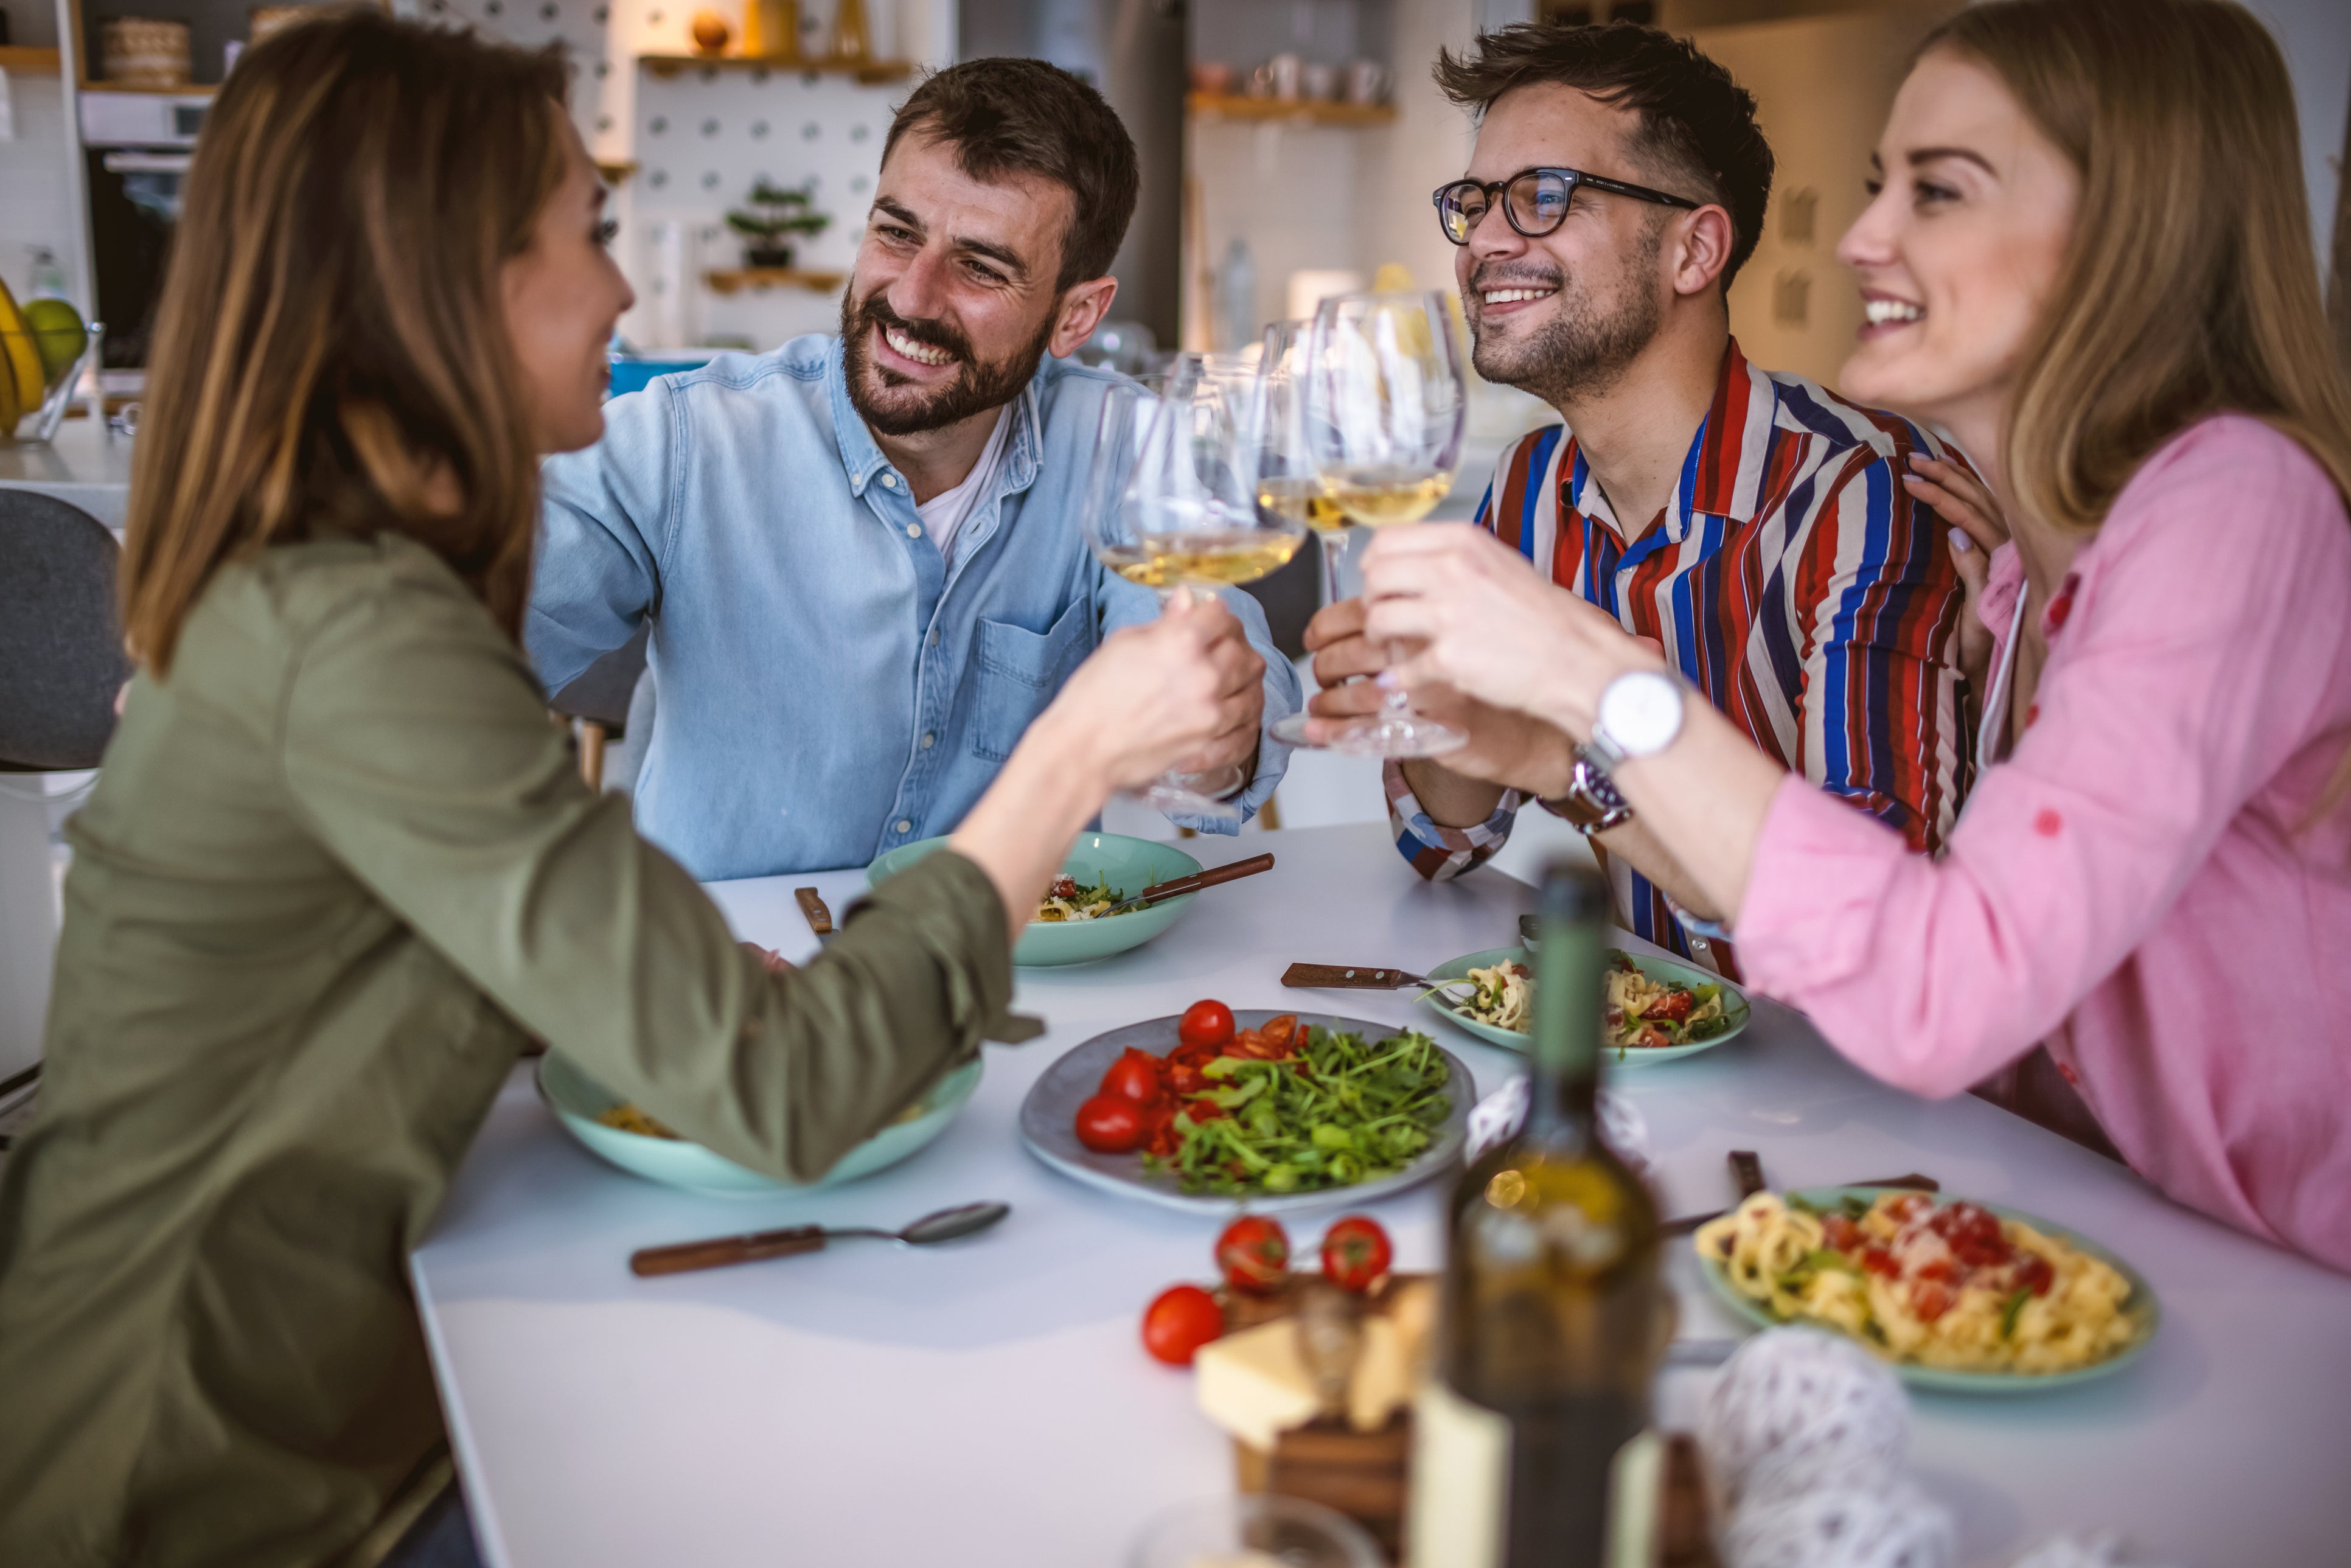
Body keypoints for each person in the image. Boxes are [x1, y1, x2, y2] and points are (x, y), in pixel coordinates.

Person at [0, 18, 1259, 1565]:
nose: (623, 289)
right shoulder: (370, 636)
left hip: (352, 1359)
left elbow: (387, 935)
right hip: (214, 1482)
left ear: (1074, 315)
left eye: (981, 264)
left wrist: (637, 966)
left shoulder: (343, 596)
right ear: (443, 287)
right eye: (588, 236)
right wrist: (1075, 754)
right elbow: (793, 1094)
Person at [1354, 0, 2351, 1270]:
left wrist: (1584, 675)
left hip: (2287, 1284)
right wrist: (1549, 750)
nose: (1865, 236)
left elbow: (1928, 981)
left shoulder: (2233, 503)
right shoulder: (2038, 566)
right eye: (1885, 185)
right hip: (2081, 1212)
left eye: (1937, 193)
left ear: (2126, 233)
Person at [1303, 21, 1970, 977]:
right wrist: (1429, 699)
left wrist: (1571, 761)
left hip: (1844, 1101)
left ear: (1694, 252)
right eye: (1475, 201)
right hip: (1657, 1051)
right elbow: (1442, 839)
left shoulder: (1859, 492)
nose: (1485, 241)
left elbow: (1871, 934)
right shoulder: (1534, 486)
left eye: (1542, 196)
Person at [529, 58, 1299, 881]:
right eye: (896, 233)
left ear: (1076, 314)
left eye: (980, 267)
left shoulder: (1125, 443)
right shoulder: (685, 441)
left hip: (1018, 976)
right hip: (731, 978)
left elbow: (1219, 675)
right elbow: (459, 639)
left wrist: (1217, 738)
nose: (912, 297)